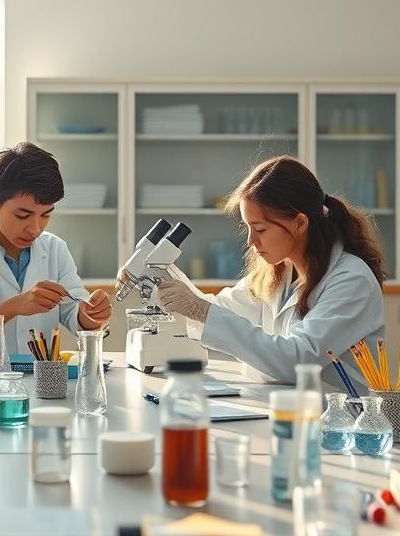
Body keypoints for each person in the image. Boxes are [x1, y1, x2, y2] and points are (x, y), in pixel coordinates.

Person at [156, 156, 386, 383]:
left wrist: (200, 310)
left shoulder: (352, 281)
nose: (250, 241)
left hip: (337, 414)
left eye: (260, 229)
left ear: (300, 223)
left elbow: (296, 360)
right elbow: (216, 309)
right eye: (247, 227)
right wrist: (159, 275)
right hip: (282, 406)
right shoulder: (281, 270)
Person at [0, 143, 113, 361]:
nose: (35, 229)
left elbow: (76, 315)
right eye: (22, 215)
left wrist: (92, 316)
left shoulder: (55, 249)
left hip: (32, 381)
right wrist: (17, 305)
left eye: (46, 215)